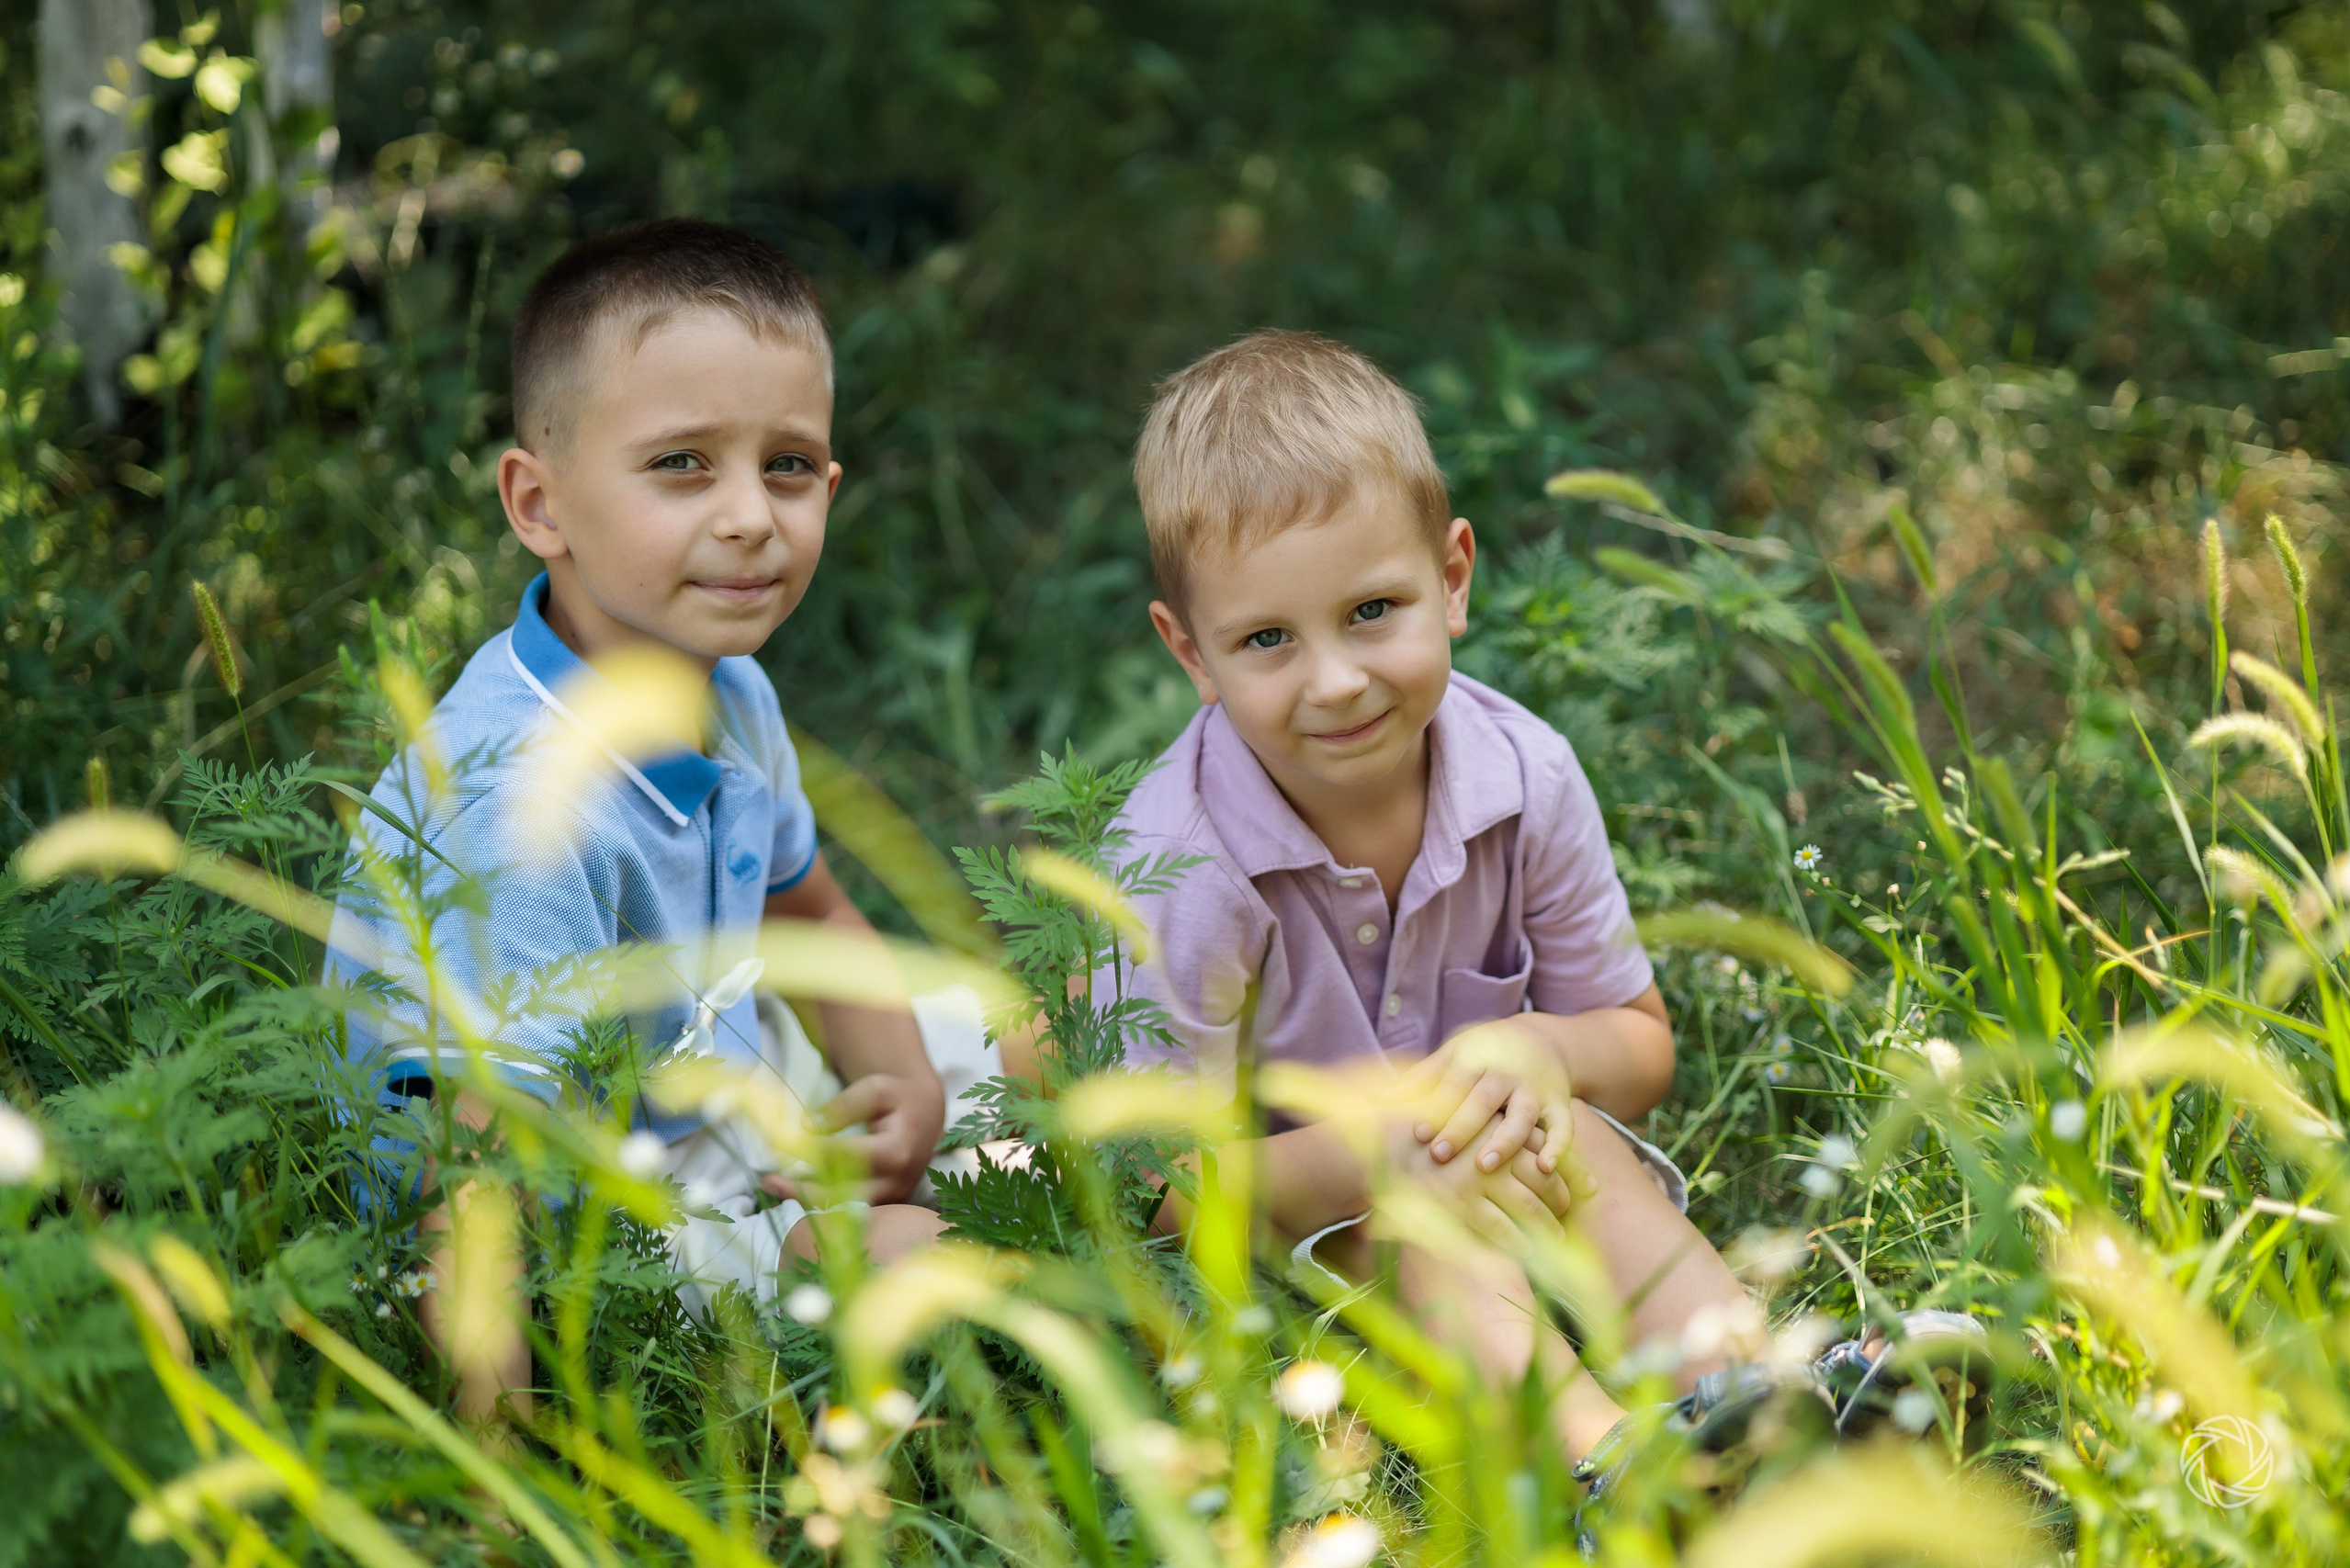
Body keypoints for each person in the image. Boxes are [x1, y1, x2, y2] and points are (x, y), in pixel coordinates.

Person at [1072, 328, 1768, 1461]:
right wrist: (1384, 1146)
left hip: (1509, 1155)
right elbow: (1155, 1191)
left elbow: (1639, 1048)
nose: (1335, 681)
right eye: (1265, 640)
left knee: (1578, 1141)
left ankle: (1753, 1390)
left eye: (1369, 613)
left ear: (1450, 579)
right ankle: (1607, 1465)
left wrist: (1547, 1051)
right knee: (1427, 1231)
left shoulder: (1522, 775)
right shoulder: (1182, 863)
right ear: (1190, 653)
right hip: (1303, 1225)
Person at [325, 220, 948, 1426]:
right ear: (539, 503)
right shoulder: (518, 814)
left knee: (1021, 1046)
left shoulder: (729, 688)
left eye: (786, 464)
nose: (750, 516)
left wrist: (904, 1081)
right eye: (681, 465)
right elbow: (475, 1186)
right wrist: (496, 1479)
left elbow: (806, 907)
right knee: (942, 1261)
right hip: (571, 1250)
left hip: (700, 1106)